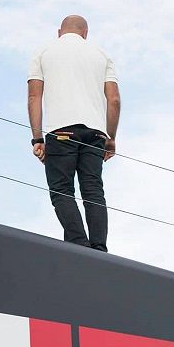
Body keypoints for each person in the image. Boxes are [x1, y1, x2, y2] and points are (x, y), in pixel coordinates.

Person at [27, 15, 121, 252]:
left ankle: (78, 245)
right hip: (96, 133)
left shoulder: (44, 51)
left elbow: (34, 97)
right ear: (85, 34)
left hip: (61, 130)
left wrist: (37, 137)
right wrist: (110, 138)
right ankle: (99, 246)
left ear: (59, 32)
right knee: (93, 189)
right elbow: (114, 100)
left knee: (62, 189)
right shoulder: (101, 54)